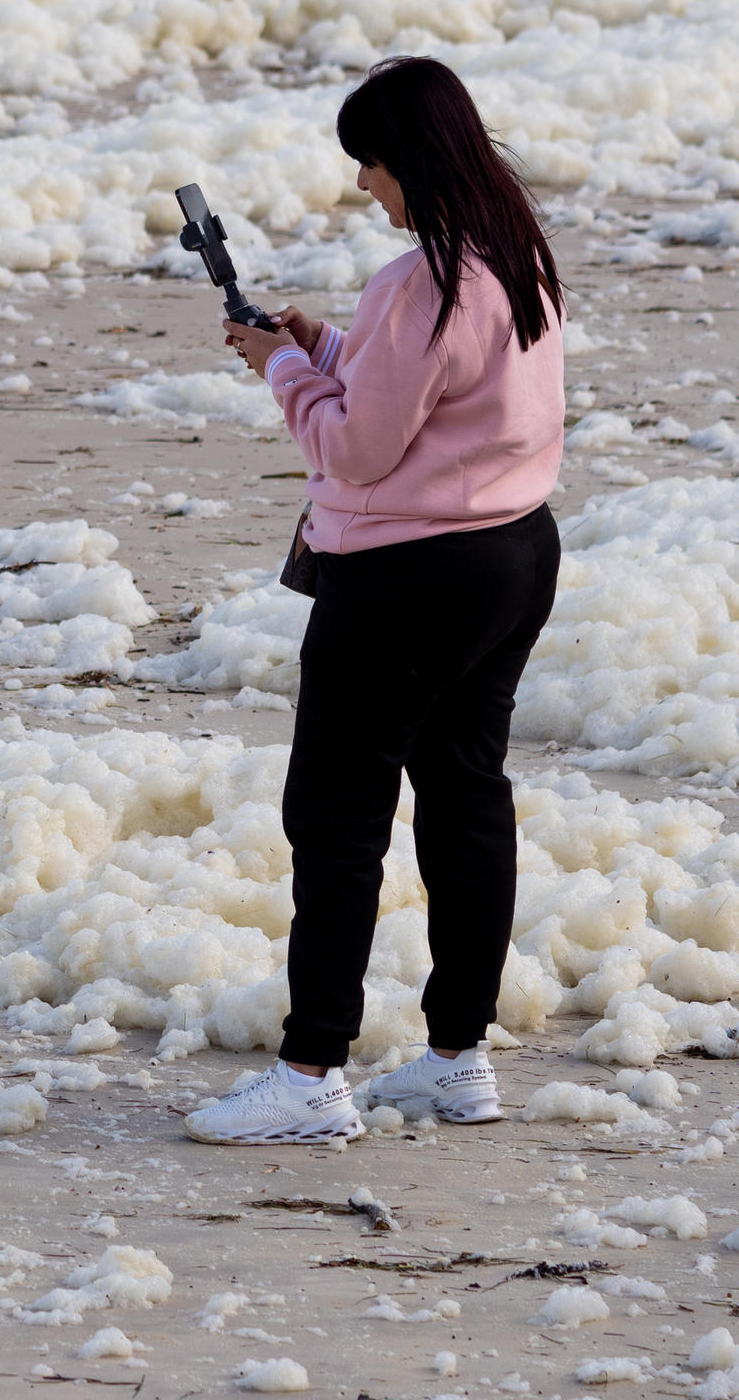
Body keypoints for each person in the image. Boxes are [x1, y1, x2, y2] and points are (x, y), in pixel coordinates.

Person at [185, 56, 567, 1148]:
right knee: (463, 798)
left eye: (370, 162)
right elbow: (437, 399)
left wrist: (277, 372)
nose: (363, 185)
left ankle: (309, 1075)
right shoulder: (513, 259)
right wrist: (317, 344)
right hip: (510, 556)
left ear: (410, 160)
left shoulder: (419, 280)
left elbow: (355, 450)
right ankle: (457, 1060)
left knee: (337, 818)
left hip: (404, 578)